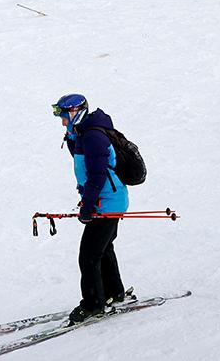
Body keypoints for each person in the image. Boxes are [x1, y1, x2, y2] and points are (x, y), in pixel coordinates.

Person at [53, 93, 134, 325]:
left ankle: (93, 304)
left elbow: (97, 175)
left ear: (74, 113)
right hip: (108, 201)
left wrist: (88, 205)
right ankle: (113, 293)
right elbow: (86, 165)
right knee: (103, 249)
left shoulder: (93, 137)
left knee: (88, 257)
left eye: (64, 117)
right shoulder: (84, 135)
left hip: (107, 203)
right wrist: (72, 137)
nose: (62, 122)